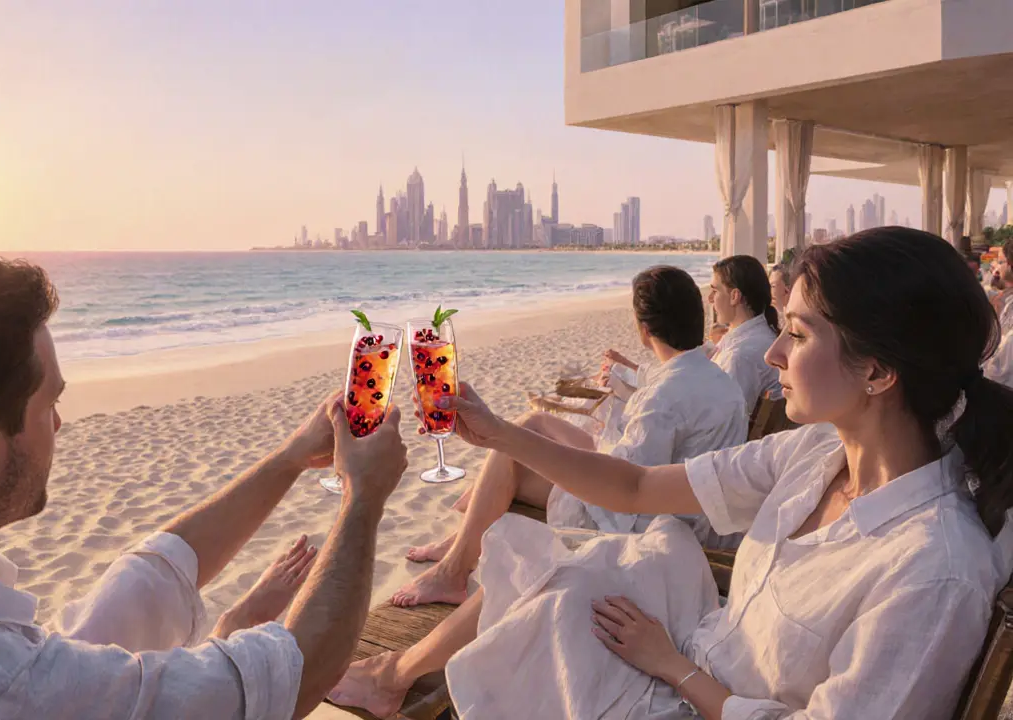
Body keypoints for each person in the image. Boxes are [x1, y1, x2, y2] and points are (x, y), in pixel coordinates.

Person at [330, 227, 1013, 719]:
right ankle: (396, 680)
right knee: (566, 582)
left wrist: (674, 669)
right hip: (699, 646)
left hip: (697, 688)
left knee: (560, 609)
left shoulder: (933, 572)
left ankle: (397, 680)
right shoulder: (815, 456)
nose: (772, 353)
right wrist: (498, 433)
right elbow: (633, 487)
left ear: (879, 371)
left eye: (799, 334)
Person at [0, 253, 410, 720]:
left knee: (124, 600)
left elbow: (135, 594)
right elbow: (292, 674)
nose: (59, 421)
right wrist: (364, 499)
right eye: (48, 402)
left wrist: (289, 459)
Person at [389, 266, 747, 608]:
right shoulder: (715, 378)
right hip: (685, 496)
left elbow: (625, 482)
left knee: (509, 450)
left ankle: (452, 571)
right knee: (535, 421)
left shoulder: (665, 395)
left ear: (643, 330)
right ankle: (460, 541)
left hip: (651, 516)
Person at [707, 255, 784, 411]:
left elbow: (724, 419)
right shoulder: (763, 336)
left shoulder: (740, 356)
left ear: (735, 296)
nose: (709, 298)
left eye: (715, 291)